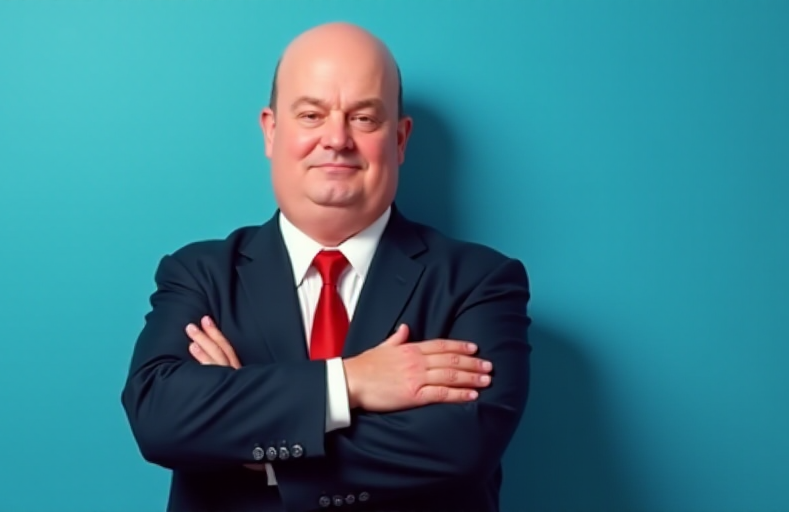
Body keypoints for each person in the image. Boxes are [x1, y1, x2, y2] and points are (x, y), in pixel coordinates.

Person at [120, 22, 531, 512]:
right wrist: (350, 381)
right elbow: (160, 418)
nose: (336, 139)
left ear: (399, 139)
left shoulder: (480, 282)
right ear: (272, 131)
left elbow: (461, 448)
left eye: (363, 118)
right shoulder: (199, 275)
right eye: (312, 114)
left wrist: (251, 440)